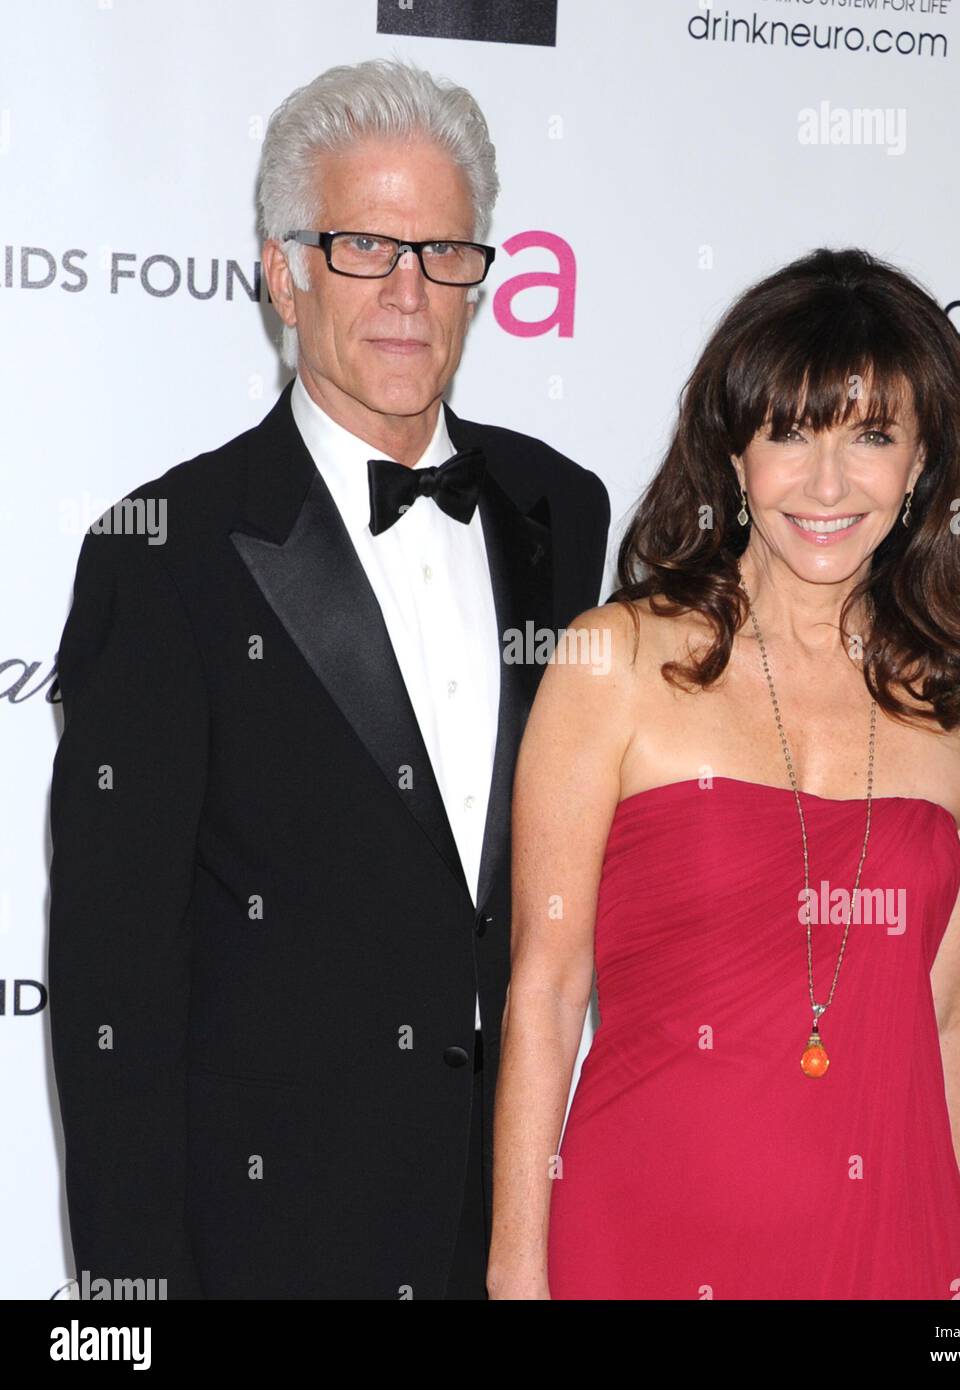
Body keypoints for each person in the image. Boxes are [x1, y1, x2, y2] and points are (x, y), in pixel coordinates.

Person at [47, 58, 610, 1300]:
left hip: (520, 1235)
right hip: (268, 1249)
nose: (409, 293)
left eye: (443, 251)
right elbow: (112, 989)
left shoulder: (559, 510)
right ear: (282, 274)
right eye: (364, 247)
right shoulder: (164, 551)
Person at [488, 246, 960, 1300]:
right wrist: (515, 1279)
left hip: (891, 1246)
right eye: (789, 431)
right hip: (641, 1233)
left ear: (921, 463)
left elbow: (943, 1006)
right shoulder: (616, 660)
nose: (826, 484)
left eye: (870, 435)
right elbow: (544, 993)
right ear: (733, 454)